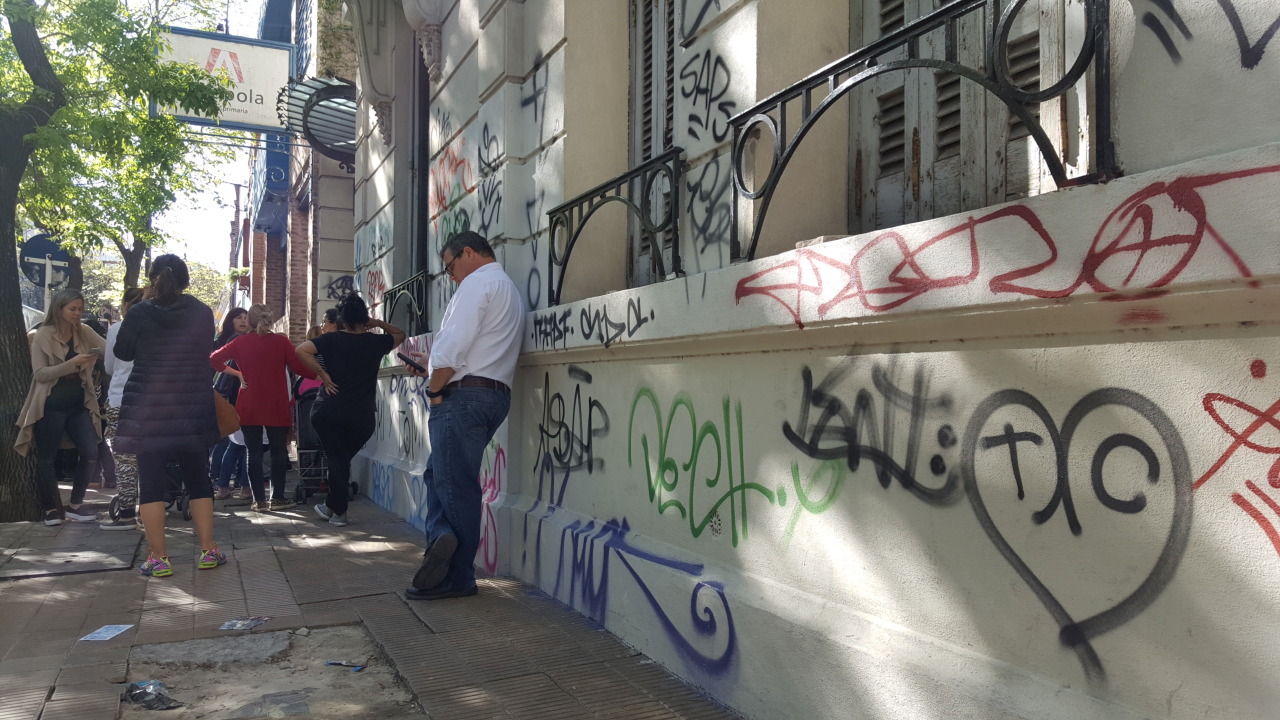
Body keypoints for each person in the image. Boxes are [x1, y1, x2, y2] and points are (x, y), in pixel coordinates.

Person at [403, 231, 522, 601]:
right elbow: (468, 351)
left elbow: (454, 349)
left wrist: (435, 388)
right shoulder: (507, 289)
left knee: (455, 485)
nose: (451, 276)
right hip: (492, 395)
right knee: (441, 474)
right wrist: (433, 364)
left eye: (451, 267)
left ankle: (456, 575)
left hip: (462, 397)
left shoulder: (476, 285)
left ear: (468, 253)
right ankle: (441, 538)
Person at [113, 255, 225, 577]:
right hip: (192, 404)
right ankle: (208, 551)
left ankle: (159, 558)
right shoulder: (202, 312)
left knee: (151, 483)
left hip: (149, 407)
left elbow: (123, 352)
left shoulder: (140, 312)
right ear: (186, 279)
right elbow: (206, 348)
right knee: (198, 477)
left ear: (152, 279)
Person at [295, 295, 405, 527]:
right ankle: (332, 507)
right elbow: (400, 335)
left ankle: (338, 510)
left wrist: (323, 375)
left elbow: (301, 350)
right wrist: (379, 324)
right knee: (340, 459)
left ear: (343, 319)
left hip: (329, 411)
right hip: (362, 416)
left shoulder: (331, 339)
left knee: (338, 459)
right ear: (364, 318)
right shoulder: (375, 342)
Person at [209, 304, 316, 511]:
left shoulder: (240, 342)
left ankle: (258, 500)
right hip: (276, 402)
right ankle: (277, 498)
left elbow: (213, 360)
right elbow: (298, 367)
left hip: (248, 401)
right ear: (270, 320)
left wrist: (237, 374)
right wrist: (321, 375)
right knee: (277, 452)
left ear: (249, 320)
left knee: (253, 452)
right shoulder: (281, 342)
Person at [15, 288, 104, 526]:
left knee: (90, 452)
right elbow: (41, 374)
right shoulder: (43, 334)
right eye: (72, 309)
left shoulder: (84, 331)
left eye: (80, 309)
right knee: (47, 458)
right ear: (59, 309)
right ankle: (51, 509)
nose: (77, 314)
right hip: (50, 406)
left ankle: (76, 504)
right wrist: (73, 364)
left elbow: (109, 348)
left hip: (78, 405)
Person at [99, 288, 146, 531]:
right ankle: (153, 509)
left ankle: (127, 514)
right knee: (150, 456)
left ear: (125, 306)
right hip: (151, 402)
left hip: (120, 399)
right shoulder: (158, 328)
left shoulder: (117, 329)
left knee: (125, 458)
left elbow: (109, 366)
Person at [210, 308, 249, 500]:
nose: (243, 321)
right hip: (233, 393)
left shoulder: (225, 339)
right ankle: (226, 483)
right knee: (234, 441)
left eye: (245, 318)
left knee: (229, 440)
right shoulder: (235, 339)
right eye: (239, 318)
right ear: (230, 321)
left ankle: (220, 481)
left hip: (227, 393)